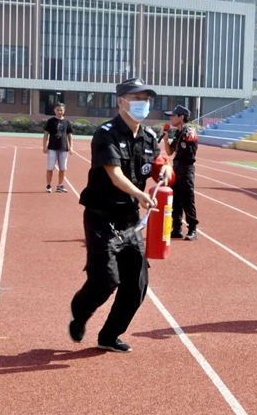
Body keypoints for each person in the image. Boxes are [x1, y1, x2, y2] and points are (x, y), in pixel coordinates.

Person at [70, 78, 173, 353]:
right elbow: (115, 175)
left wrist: (164, 172)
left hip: (129, 222)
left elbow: (160, 165)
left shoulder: (150, 138)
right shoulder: (107, 134)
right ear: (121, 101)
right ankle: (79, 314)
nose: (143, 103)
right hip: (102, 219)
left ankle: (109, 335)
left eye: (146, 98)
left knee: (137, 284)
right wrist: (141, 195)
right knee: (105, 280)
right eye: (136, 98)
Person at [161, 104, 199, 241]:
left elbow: (191, 139)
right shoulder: (178, 133)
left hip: (186, 168)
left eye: (173, 116)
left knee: (187, 199)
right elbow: (170, 152)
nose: (171, 118)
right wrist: (166, 140)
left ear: (181, 117)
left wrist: (186, 131)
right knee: (175, 199)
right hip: (176, 168)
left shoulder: (189, 131)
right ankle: (176, 228)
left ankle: (193, 229)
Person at [43, 102, 73, 193]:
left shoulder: (67, 122)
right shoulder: (51, 121)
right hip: (52, 148)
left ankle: (60, 185)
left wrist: (71, 147)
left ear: (64, 111)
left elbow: (69, 135)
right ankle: (48, 185)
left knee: (63, 168)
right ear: (54, 110)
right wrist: (44, 146)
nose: (59, 112)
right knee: (50, 167)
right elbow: (46, 134)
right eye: (58, 110)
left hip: (63, 148)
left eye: (61, 110)